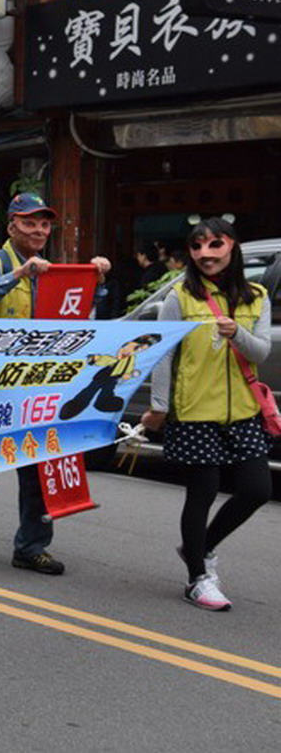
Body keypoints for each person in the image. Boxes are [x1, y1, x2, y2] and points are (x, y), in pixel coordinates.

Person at [0, 193, 111, 574]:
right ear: (12, 226)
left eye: (44, 224)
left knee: (37, 469)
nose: (38, 230)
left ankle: (31, 547)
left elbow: (79, 315)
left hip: (37, 386)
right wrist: (19, 274)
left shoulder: (51, 269)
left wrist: (95, 281)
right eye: (30, 222)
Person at [141, 217, 272, 611]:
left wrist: (237, 333)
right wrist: (160, 407)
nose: (205, 254)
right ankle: (198, 578)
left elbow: (261, 352)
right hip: (195, 410)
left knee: (256, 490)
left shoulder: (257, 295)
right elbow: (163, 354)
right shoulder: (179, 297)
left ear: (232, 246)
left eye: (215, 245)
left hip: (243, 411)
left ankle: (200, 547)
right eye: (197, 247)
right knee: (202, 493)